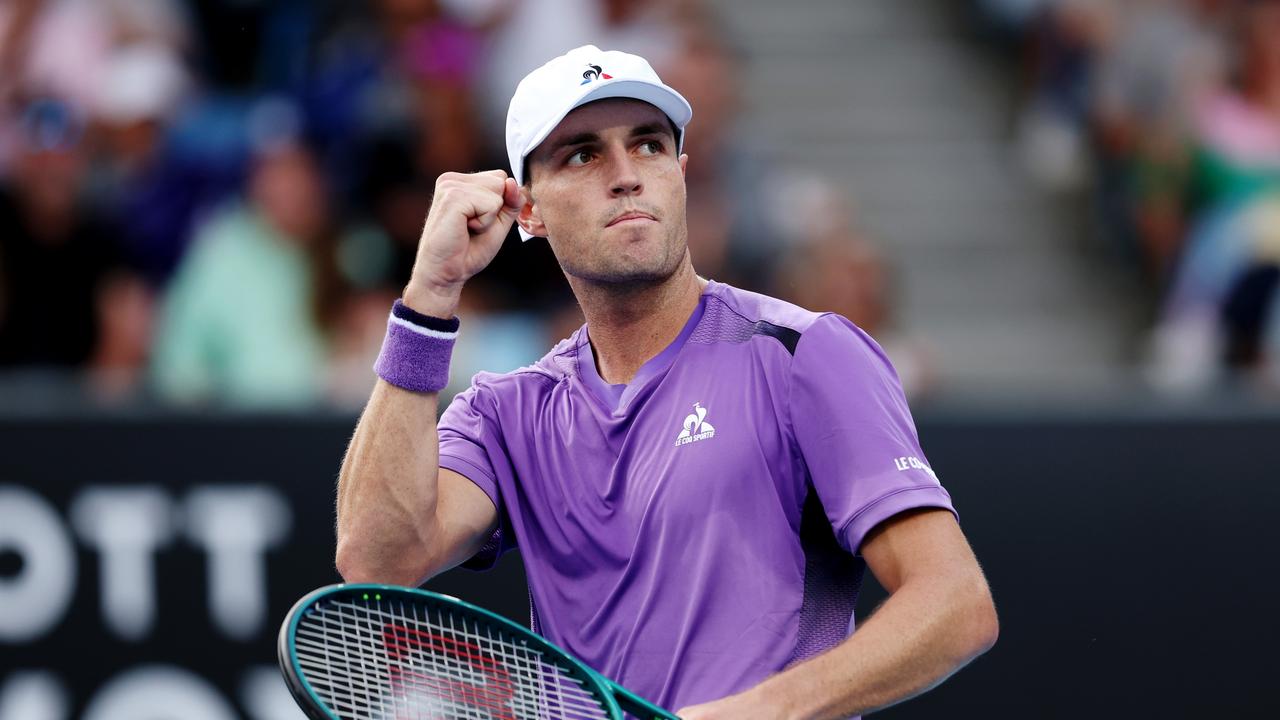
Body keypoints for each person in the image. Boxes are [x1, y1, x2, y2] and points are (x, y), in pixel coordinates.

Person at [336, 45, 998, 719]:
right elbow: (377, 561)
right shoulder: (505, 415)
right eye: (583, 154)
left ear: (681, 174)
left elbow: (954, 603)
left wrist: (762, 711)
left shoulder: (805, 353)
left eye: (648, 146)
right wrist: (429, 295)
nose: (626, 176)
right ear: (527, 212)